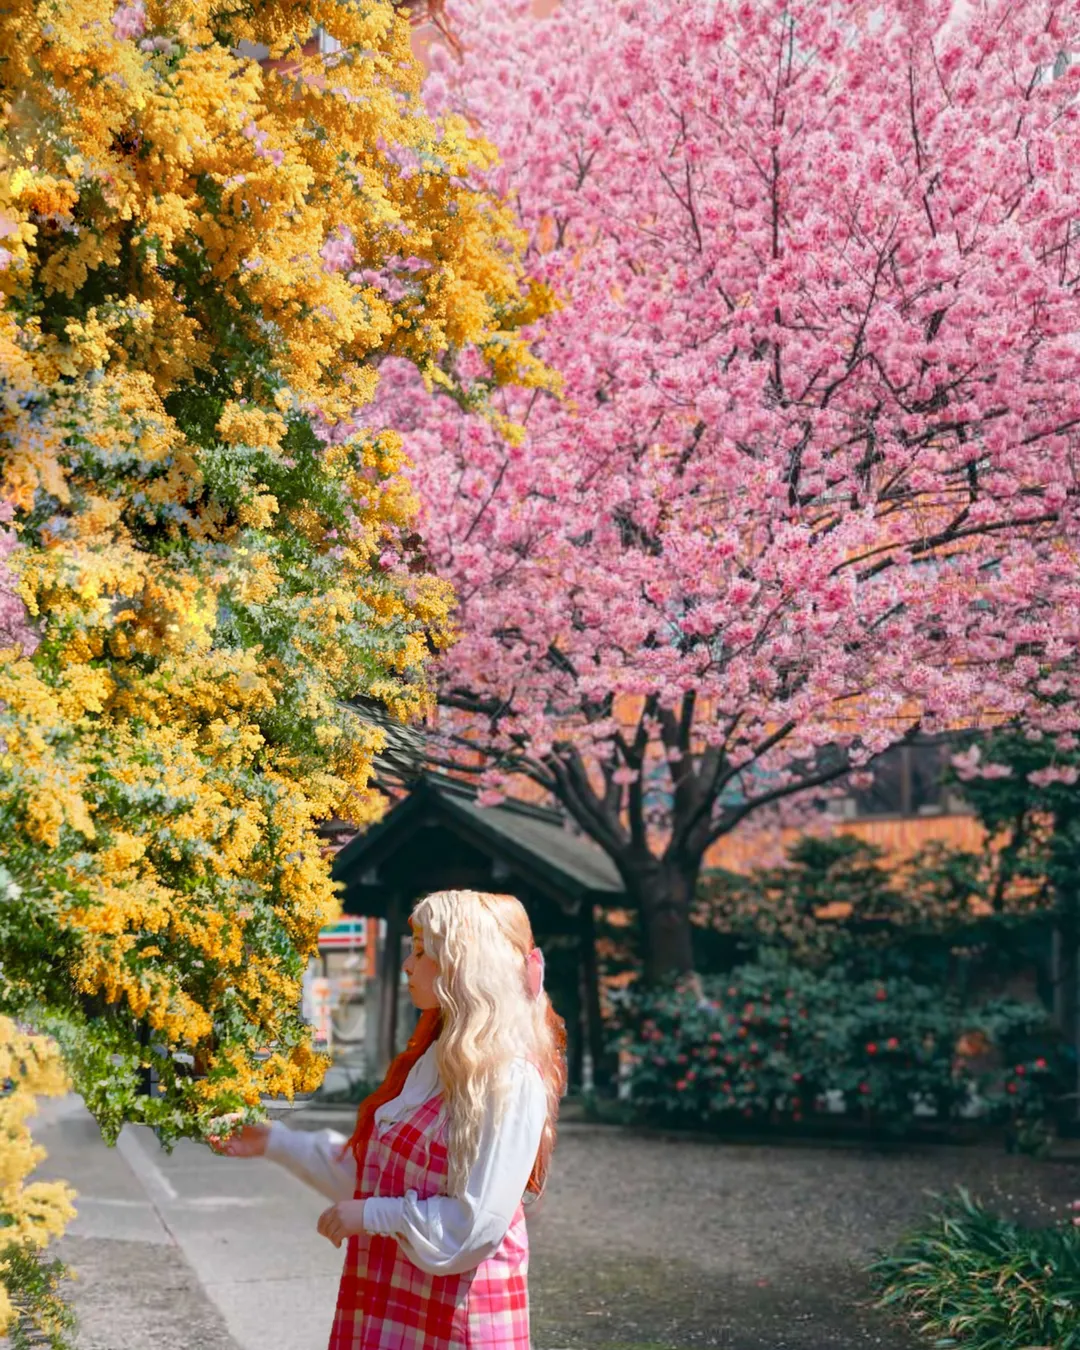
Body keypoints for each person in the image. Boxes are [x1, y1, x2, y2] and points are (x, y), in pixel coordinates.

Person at [209, 889, 567, 1350]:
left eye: (421, 953)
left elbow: (473, 1228)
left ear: (466, 966)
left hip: (461, 1318)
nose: (407, 966)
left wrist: (376, 1215)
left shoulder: (509, 1079)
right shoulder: (439, 1058)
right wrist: (275, 1142)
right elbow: (381, 1176)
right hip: (401, 1300)